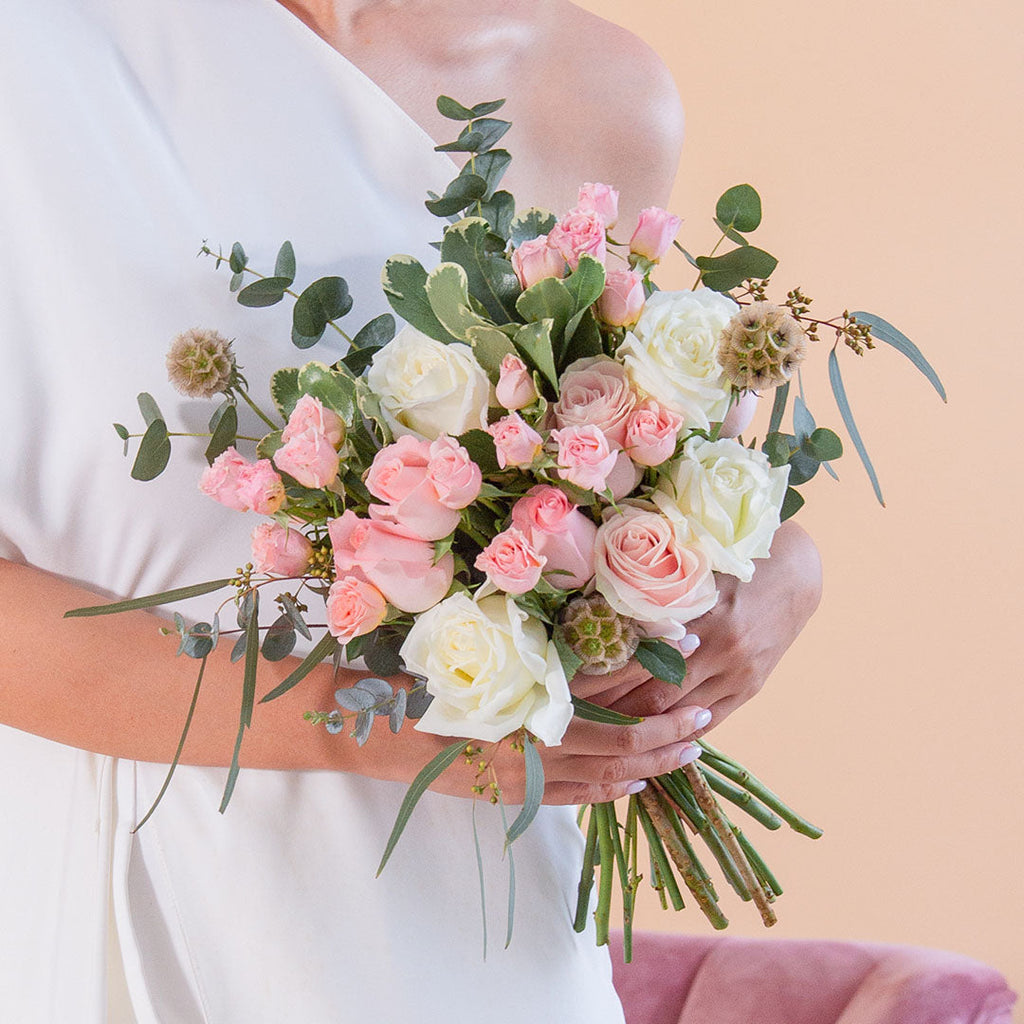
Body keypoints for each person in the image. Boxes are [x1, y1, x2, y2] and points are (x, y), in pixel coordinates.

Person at [0, 1, 822, 1020]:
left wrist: (775, 563)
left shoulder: (598, 88)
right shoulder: (30, 54)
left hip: (476, 907)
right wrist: (392, 731)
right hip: (112, 872)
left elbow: (625, 436)